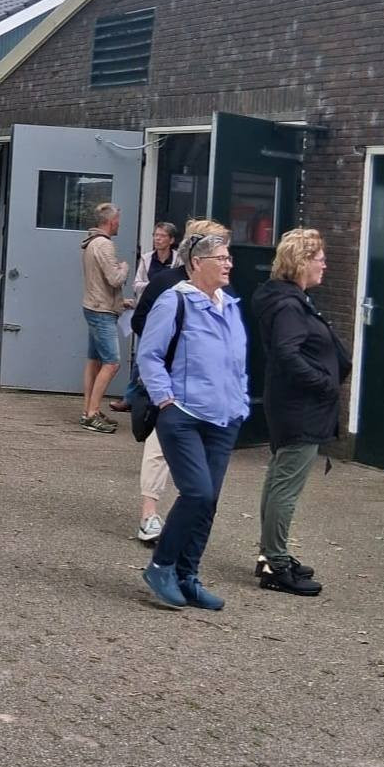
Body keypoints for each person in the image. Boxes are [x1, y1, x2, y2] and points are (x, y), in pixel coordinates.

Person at [138, 230, 249, 611]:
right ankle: (161, 566)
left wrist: (240, 400)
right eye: (221, 258)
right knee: (197, 492)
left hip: (224, 418)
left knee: (209, 501)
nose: (229, 264)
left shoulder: (230, 305)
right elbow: (150, 354)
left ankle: (188, 576)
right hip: (184, 415)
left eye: (229, 258)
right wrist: (166, 400)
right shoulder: (176, 301)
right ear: (197, 263)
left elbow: (237, 362)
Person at [252, 228, 350, 596]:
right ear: (302, 262)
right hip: (301, 408)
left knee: (278, 478)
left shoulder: (288, 299)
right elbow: (287, 353)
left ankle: (270, 555)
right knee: (285, 486)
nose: (325, 265)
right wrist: (324, 383)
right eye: (320, 259)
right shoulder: (290, 306)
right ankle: (276, 564)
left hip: (292, 405)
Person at [128, 218, 227, 545]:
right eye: (218, 251)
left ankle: (188, 518)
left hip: (207, 386)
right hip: (171, 380)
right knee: (159, 448)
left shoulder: (223, 292)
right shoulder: (166, 283)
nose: (225, 259)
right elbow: (141, 322)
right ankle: (148, 514)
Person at [113, 221, 182, 414]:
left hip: (169, 312)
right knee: (143, 355)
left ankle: (160, 399)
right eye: (155, 235)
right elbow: (137, 284)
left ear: (171, 240)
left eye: (162, 236)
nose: (157, 239)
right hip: (148, 311)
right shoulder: (146, 258)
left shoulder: (178, 260)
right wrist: (156, 284)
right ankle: (130, 398)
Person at [80, 202, 130, 433]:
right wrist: (124, 267)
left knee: (94, 360)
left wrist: (121, 302)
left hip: (94, 306)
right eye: (118, 220)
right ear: (111, 222)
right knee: (112, 362)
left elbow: (100, 281)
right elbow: (115, 279)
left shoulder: (91, 242)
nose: (119, 224)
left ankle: (88, 410)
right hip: (102, 311)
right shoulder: (104, 244)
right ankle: (92, 414)